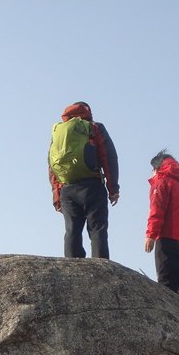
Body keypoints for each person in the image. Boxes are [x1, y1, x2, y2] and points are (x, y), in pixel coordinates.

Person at [48, 101, 120, 259]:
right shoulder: (95, 127)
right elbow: (108, 157)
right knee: (97, 229)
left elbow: (53, 166)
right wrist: (113, 189)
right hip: (92, 185)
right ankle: (101, 267)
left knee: (72, 230)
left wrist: (57, 197)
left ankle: (71, 267)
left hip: (67, 189)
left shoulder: (59, 132)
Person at [144, 150, 179, 308]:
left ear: (157, 167)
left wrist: (150, 235)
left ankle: (167, 320)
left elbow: (157, 210)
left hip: (168, 239)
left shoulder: (161, 183)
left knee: (166, 285)